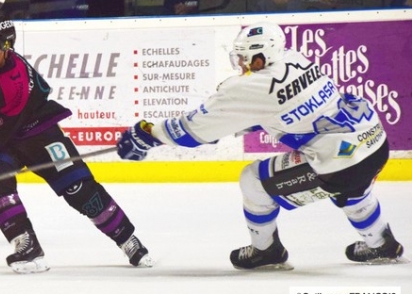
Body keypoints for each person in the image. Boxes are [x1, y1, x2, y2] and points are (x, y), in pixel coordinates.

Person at [116, 21, 406, 269]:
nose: (241, 64)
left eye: (244, 57)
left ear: (259, 58)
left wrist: (148, 133)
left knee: (253, 180)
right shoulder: (297, 59)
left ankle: (266, 251)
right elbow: (285, 108)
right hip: (374, 143)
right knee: (351, 186)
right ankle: (382, 244)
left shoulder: (248, 87)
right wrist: (241, 121)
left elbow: (192, 132)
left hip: (343, 162)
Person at [0, 13, 152, 273]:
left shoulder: (13, 82)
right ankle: (26, 244)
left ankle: (127, 238)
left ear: (6, 46)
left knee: (78, 188)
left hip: (38, 133)